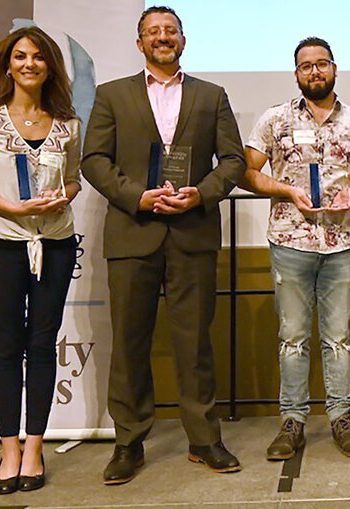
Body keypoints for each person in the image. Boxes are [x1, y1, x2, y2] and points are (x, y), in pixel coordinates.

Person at [82, 5, 245, 485]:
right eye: (153, 32)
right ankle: (128, 443)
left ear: (183, 39)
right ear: (139, 43)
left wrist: (202, 193)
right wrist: (137, 196)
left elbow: (232, 160)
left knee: (194, 344)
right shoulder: (112, 95)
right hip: (133, 233)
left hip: (192, 233)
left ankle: (204, 439)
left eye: (170, 30)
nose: (162, 37)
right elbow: (93, 160)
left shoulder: (212, 95)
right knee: (130, 343)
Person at [240, 37, 350, 460]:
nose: (314, 72)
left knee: (338, 338)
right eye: (305, 66)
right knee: (293, 337)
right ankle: (292, 422)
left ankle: (341, 419)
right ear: (296, 73)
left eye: (321, 64)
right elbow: (246, 173)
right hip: (290, 241)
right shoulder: (274, 120)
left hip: (341, 245)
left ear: (335, 68)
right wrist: (285, 190)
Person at [0, 26, 80, 495]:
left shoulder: (67, 123)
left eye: (38, 57)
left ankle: (34, 446)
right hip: (6, 242)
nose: (29, 64)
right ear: (8, 64)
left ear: (50, 65)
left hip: (55, 242)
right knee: (7, 346)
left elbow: (73, 181)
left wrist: (60, 199)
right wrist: (10, 207)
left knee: (42, 342)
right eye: (20, 56)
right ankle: (8, 447)